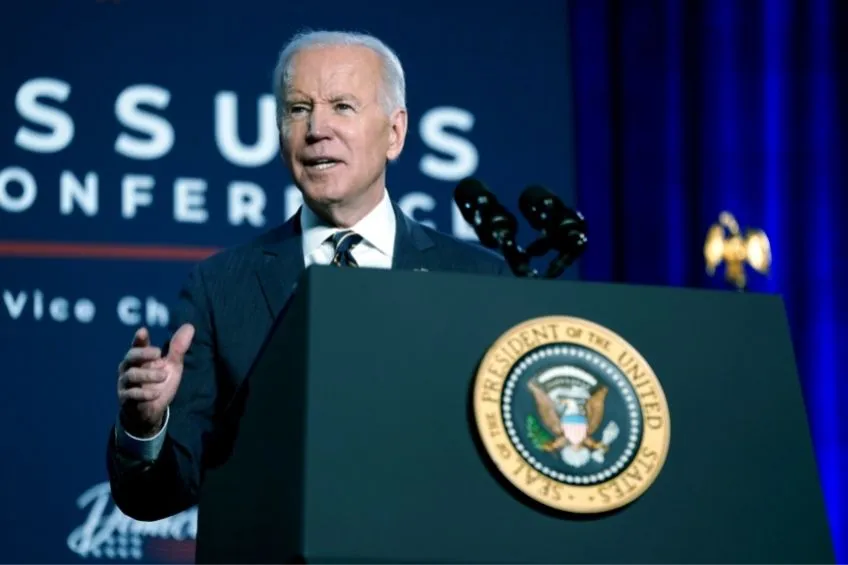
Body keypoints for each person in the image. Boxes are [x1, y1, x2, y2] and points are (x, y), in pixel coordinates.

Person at [107, 29, 509, 521]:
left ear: (395, 132)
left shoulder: (475, 278)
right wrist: (145, 426)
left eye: (342, 106)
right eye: (298, 109)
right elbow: (156, 496)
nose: (317, 127)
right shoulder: (221, 286)